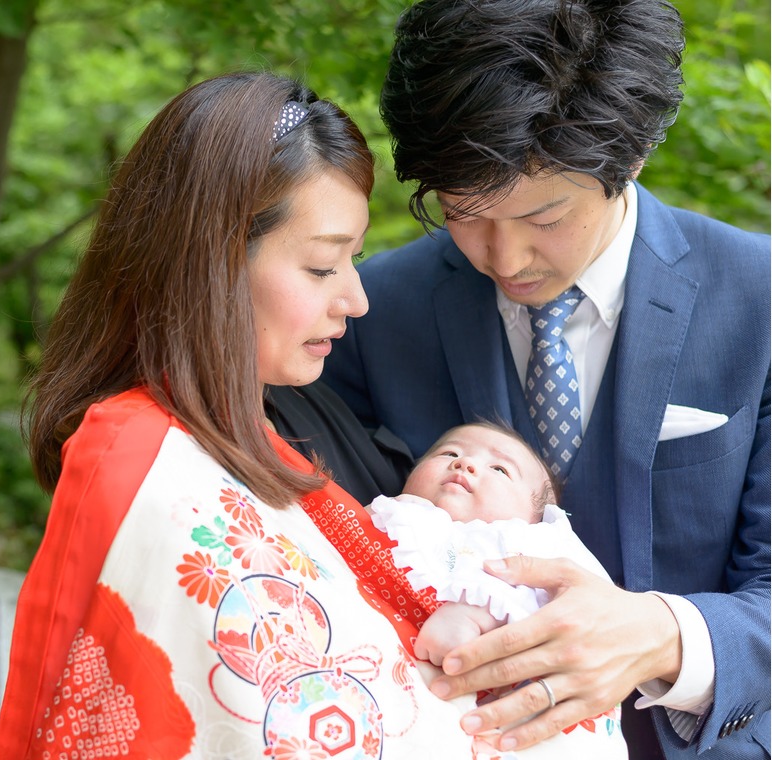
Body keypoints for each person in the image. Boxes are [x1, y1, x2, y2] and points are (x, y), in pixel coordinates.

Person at [0, 71, 626, 758]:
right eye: (323, 267)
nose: (356, 298)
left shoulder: (251, 440)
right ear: (213, 264)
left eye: (354, 260)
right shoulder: (148, 462)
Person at [320, 1, 771, 758]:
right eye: (463, 214)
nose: (504, 258)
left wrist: (663, 636)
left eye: (547, 215)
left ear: (629, 159)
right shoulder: (368, 313)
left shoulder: (759, 297)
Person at [366, 422, 609, 668]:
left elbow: (586, 604)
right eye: (450, 453)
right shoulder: (395, 513)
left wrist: (478, 614)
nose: (464, 463)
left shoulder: (532, 541)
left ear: (537, 518)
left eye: (500, 469)